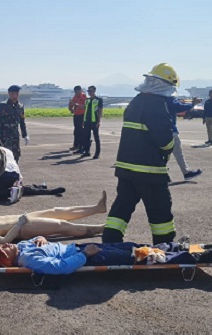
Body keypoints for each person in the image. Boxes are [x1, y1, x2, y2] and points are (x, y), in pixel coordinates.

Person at [102, 63, 178, 245]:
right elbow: (165, 141)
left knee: (122, 208)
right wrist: (169, 148)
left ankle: (110, 242)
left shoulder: (136, 101)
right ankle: (164, 245)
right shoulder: (157, 105)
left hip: (126, 169)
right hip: (149, 171)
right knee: (160, 211)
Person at [0, 236, 212, 275]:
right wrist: (85, 255)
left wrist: (40, 238)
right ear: (7, 260)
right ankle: (193, 258)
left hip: (81, 247)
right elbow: (60, 269)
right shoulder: (28, 260)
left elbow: (36, 239)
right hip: (88, 255)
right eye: (3, 249)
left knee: (130, 245)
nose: (6, 244)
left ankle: (180, 247)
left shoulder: (25, 248)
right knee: (135, 256)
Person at [0, 190, 107, 244]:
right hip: (24, 226)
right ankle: (100, 229)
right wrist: (19, 224)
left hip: (22, 218)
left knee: (57, 211)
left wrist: (19, 218)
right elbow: (3, 242)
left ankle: (97, 208)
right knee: (62, 225)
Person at [166, 97, 203, 180]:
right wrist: (193, 104)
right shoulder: (169, 99)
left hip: (156, 130)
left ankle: (162, 173)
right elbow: (180, 107)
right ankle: (186, 172)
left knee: (161, 154)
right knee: (178, 152)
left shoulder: (154, 99)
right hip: (170, 129)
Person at [0, 85, 29, 162]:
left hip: (15, 137)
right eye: (13, 93)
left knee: (16, 156)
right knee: (5, 157)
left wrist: (25, 135)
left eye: (17, 93)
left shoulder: (20, 106)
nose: (15, 96)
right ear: (9, 94)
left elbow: (22, 121)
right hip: (5, 137)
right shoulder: (3, 105)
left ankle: (14, 172)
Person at [82, 85, 103, 158]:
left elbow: (100, 111)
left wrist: (99, 121)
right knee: (86, 137)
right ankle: (86, 151)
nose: (89, 92)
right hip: (87, 121)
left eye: (91, 91)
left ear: (94, 91)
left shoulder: (98, 100)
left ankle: (97, 153)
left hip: (94, 121)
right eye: (88, 91)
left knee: (96, 137)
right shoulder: (87, 100)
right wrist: (83, 121)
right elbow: (85, 110)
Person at [68, 85, 87, 152]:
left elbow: (85, 106)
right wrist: (71, 107)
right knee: (76, 131)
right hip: (76, 115)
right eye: (75, 92)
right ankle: (76, 145)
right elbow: (71, 107)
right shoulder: (74, 97)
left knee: (81, 131)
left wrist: (76, 105)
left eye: (78, 91)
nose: (77, 93)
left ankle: (81, 145)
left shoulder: (84, 96)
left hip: (82, 115)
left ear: (80, 90)